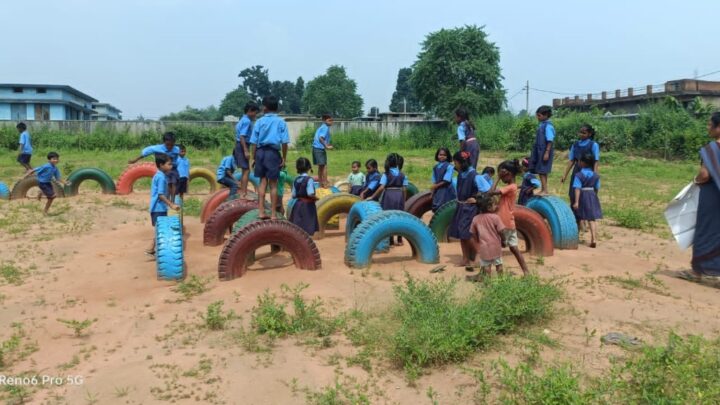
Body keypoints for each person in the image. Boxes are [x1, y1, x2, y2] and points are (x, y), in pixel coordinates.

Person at [682, 112, 720, 280]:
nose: (707, 127)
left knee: (707, 231)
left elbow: (705, 175)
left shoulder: (712, 148)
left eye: (709, 124)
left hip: (713, 196)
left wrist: (694, 181)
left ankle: (700, 270)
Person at [448, 151, 491, 267]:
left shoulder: (475, 176)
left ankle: (481, 256)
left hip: (470, 208)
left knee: (467, 233)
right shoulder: (461, 174)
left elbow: (488, 191)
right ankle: (465, 259)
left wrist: (476, 200)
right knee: (461, 234)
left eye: (455, 162)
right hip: (461, 206)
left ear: (461, 163)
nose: (454, 165)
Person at [250, 95, 290, 220]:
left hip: (260, 152)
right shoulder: (281, 122)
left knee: (262, 183)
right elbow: (284, 142)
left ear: (265, 108)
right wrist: (283, 157)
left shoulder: (259, 122)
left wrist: (254, 157)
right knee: (273, 184)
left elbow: (254, 142)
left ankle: (261, 212)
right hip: (273, 153)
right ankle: (273, 214)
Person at [490, 159, 530, 275]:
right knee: (514, 248)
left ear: (509, 174)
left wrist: (497, 178)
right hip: (509, 222)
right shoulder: (512, 186)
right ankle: (526, 272)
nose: (501, 178)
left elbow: (490, 192)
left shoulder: (511, 187)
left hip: (502, 222)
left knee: (495, 248)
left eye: (502, 175)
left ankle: (497, 274)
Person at [366, 153, 408, 246]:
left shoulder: (386, 174)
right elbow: (405, 189)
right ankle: (400, 239)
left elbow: (381, 188)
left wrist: (372, 197)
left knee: (389, 216)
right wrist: (403, 199)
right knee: (399, 216)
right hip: (399, 195)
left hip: (389, 195)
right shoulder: (402, 174)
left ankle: (391, 240)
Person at [561, 124, 600, 222]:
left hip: (589, 172)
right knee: (573, 194)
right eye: (580, 132)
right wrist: (565, 174)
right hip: (577, 172)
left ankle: (586, 218)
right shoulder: (575, 145)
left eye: (584, 133)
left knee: (587, 195)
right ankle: (577, 219)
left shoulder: (593, 145)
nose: (581, 134)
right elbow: (571, 161)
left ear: (589, 134)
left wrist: (595, 174)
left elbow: (596, 161)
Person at [146, 153, 180, 257]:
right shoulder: (160, 177)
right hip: (158, 208)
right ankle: (151, 249)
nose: (171, 166)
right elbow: (160, 195)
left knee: (159, 229)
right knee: (159, 230)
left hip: (159, 208)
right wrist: (171, 205)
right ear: (161, 165)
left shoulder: (161, 176)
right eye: (169, 164)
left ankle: (152, 250)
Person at [129, 132, 180, 198]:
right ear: (164, 142)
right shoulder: (157, 148)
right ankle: (166, 198)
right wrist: (135, 160)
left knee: (174, 183)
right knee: (166, 184)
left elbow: (181, 156)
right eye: (168, 145)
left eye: (172, 145)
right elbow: (145, 153)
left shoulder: (176, 149)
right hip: (163, 170)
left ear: (174, 143)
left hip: (173, 169)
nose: (169, 147)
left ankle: (173, 199)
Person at [467, 192, 506, 281]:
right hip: (496, 246)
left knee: (487, 267)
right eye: (494, 205)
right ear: (489, 207)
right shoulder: (495, 217)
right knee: (499, 265)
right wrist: (504, 241)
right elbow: (501, 231)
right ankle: (502, 282)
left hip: (484, 247)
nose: (496, 206)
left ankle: (488, 284)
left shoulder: (475, 219)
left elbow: (473, 233)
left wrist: (478, 241)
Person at [572, 153, 602, 248]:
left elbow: (577, 188)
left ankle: (575, 238)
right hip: (592, 195)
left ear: (583, 163)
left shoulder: (579, 175)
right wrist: (594, 197)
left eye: (580, 161)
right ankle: (594, 238)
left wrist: (576, 202)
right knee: (591, 219)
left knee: (578, 216)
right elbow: (597, 187)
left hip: (582, 195)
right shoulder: (595, 175)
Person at [234, 102, 260, 199]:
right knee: (246, 171)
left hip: (240, 145)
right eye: (255, 113)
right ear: (249, 111)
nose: (255, 116)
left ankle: (243, 192)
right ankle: (243, 194)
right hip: (242, 146)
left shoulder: (243, 119)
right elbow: (242, 136)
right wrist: (245, 150)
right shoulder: (247, 121)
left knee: (246, 170)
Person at [528, 105, 555, 194]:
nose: (537, 117)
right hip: (539, 151)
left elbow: (550, 140)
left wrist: (546, 152)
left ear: (546, 115)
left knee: (543, 171)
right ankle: (543, 189)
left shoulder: (548, 126)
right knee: (540, 170)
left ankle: (545, 190)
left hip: (544, 151)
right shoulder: (542, 125)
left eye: (539, 115)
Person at [289, 157, 319, 236]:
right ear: (309, 167)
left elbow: (293, 195)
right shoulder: (309, 179)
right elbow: (310, 193)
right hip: (307, 207)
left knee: (298, 228)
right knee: (307, 227)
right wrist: (316, 198)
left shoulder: (295, 179)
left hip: (297, 205)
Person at [430, 147, 456, 212]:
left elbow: (447, 181)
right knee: (437, 205)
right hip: (438, 190)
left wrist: (436, 186)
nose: (442, 156)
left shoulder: (449, 166)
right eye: (440, 155)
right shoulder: (435, 167)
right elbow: (434, 181)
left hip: (447, 189)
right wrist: (432, 193)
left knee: (444, 206)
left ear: (447, 156)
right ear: (437, 155)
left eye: (444, 155)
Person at [312, 114, 334, 188]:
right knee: (324, 166)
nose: (331, 122)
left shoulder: (322, 127)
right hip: (319, 148)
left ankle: (321, 183)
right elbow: (321, 138)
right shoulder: (325, 128)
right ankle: (325, 184)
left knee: (321, 167)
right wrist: (326, 146)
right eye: (329, 120)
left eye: (332, 120)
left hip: (316, 148)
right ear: (324, 121)